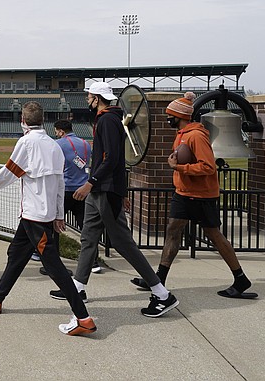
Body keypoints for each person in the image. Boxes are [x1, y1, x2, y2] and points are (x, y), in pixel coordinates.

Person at [0, 101, 96, 336]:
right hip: (37, 216)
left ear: (22, 121)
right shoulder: (54, 146)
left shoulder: (26, 143)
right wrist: (58, 214)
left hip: (35, 216)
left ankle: (82, 317)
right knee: (16, 255)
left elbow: (5, 176)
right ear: (42, 120)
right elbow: (60, 183)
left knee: (54, 266)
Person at [50, 82, 179, 318]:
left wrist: (91, 183)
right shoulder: (109, 119)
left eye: (89, 96)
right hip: (102, 189)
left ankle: (161, 294)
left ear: (97, 99)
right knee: (88, 237)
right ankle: (78, 288)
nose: (87, 100)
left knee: (123, 243)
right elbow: (116, 161)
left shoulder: (108, 121)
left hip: (103, 190)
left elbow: (111, 159)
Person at [130, 92, 257, 299]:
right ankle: (158, 279)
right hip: (184, 193)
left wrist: (179, 167)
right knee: (173, 230)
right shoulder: (182, 134)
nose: (167, 118)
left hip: (201, 195)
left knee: (214, 236)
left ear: (178, 116)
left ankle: (240, 278)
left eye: (169, 115)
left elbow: (207, 167)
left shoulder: (196, 136)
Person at [39, 120, 101, 274]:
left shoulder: (58, 143)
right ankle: (93, 261)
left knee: (54, 226)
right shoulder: (85, 143)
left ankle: (53, 263)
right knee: (86, 227)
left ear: (60, 131)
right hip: (82, 190)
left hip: (64, 190)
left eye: (56, 131)